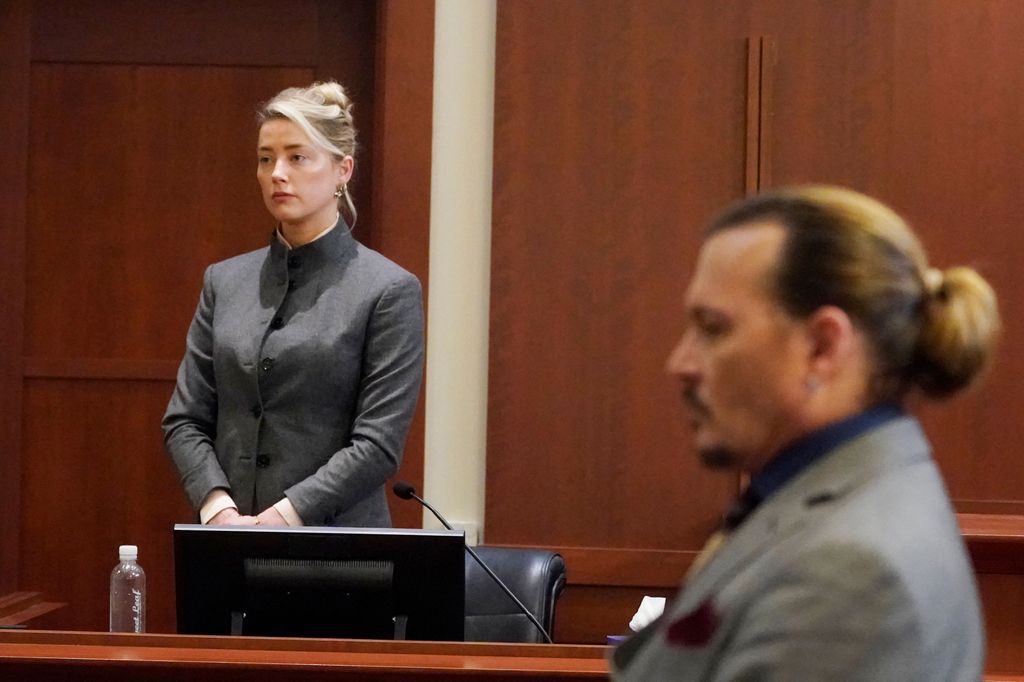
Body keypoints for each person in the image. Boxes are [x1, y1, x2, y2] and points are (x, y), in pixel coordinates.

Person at [612, 186, 999, 680]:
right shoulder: (833, 501)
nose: (680, 363)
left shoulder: (850, 574)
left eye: (713, 328)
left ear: (822, 346)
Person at [162, 81, 424, 528]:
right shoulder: (224, 281)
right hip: (226, 541)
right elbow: (185, 420)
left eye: (297, 157)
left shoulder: (388, 289)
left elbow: (377, 444)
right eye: (266, 158)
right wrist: (218, 509)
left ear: (343, 170)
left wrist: (283, 517)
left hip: (337, 551)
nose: (277, 173)